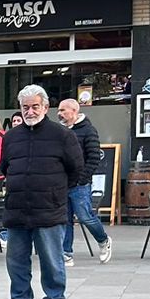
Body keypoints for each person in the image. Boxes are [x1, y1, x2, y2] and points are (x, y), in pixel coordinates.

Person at [0, 85, 80, 299]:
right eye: (25, 107)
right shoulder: (11, 137)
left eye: (35, 106)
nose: (30, 111)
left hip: (49, 208)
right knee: (16, 260)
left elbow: (76, 170)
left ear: (45, 107)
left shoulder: (63, 135)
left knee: (52, 258)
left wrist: (56, 192)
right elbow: (6, 168)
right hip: (17, 207)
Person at [56, 99, 113, 266]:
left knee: (85, 216)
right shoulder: (60, 131)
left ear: (74, 111)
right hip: (62, 182)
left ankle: (103, 240)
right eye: (59, 110)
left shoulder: (88, 130)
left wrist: (83, 178)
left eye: (63, 110)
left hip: (80, 184)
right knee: (64, 219)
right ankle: (66, 253)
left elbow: (94, 157)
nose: (59, 113)